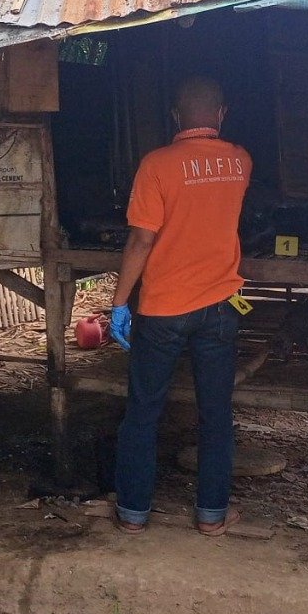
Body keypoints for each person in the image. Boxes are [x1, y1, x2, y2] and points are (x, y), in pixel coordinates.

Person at [109, 77, 252, 536]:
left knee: (144, 410)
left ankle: (132, 512)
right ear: (222, 115)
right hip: (220, 305)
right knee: (215, 412)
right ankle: (211, 515)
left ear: (174, 116)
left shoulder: (156, 165)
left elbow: (141, 239)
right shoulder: (240, 162)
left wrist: (118, 303)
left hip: (164, 307)